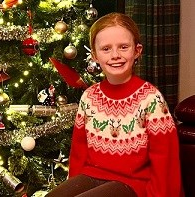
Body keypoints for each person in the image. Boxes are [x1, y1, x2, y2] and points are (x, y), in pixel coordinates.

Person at [45, 12, 183, 197]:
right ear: (94, 55)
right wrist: (73, 186)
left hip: (135, 183)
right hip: (93, 174)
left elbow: (165, 160)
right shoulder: (89, 96)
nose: (115, 55)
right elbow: (79, 151)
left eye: (124, 47)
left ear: (137, 51)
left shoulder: (150, 99)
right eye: (106, 49)